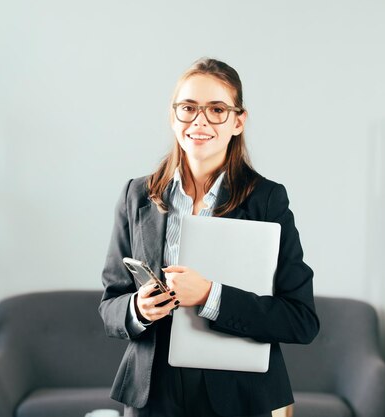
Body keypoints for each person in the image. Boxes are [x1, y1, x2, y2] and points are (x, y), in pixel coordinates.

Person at [99, 57, 319, 417]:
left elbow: (300, 319)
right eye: (188, 108)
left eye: (216, 109)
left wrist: (209, 295)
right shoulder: (135, 195)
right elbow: (110, 306)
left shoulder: (267, 200)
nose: (199, 121)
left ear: (238, 121)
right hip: (152, 393)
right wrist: (137, 309)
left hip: (237, 394)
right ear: (173, 117)